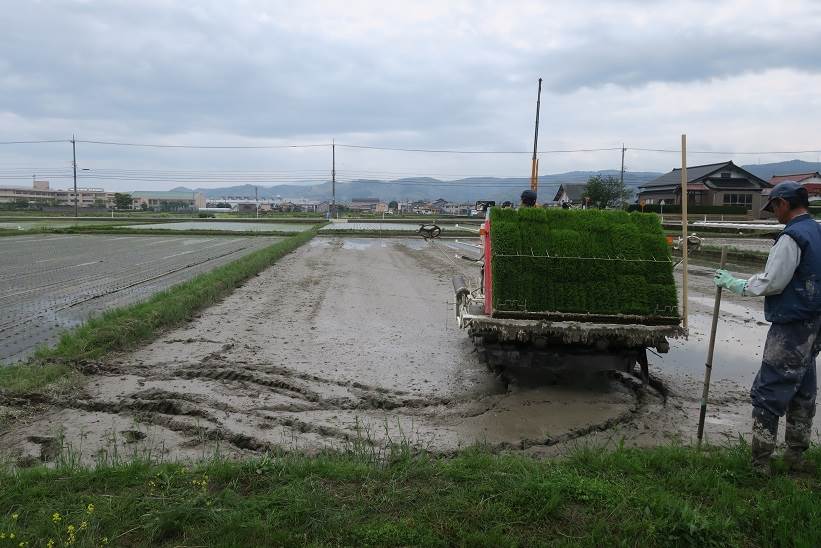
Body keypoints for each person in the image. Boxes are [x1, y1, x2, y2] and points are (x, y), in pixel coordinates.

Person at [714, 181, 819, 475]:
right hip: (815, 325)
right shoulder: (818, 231)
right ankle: (796, 458)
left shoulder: (792, 237)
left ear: (783, 203)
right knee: (803, 389)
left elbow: (774, 281)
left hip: (792, 326)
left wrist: (738, 284)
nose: (773, 213)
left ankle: (759, 464)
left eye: (773, 207)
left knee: (770, 389)